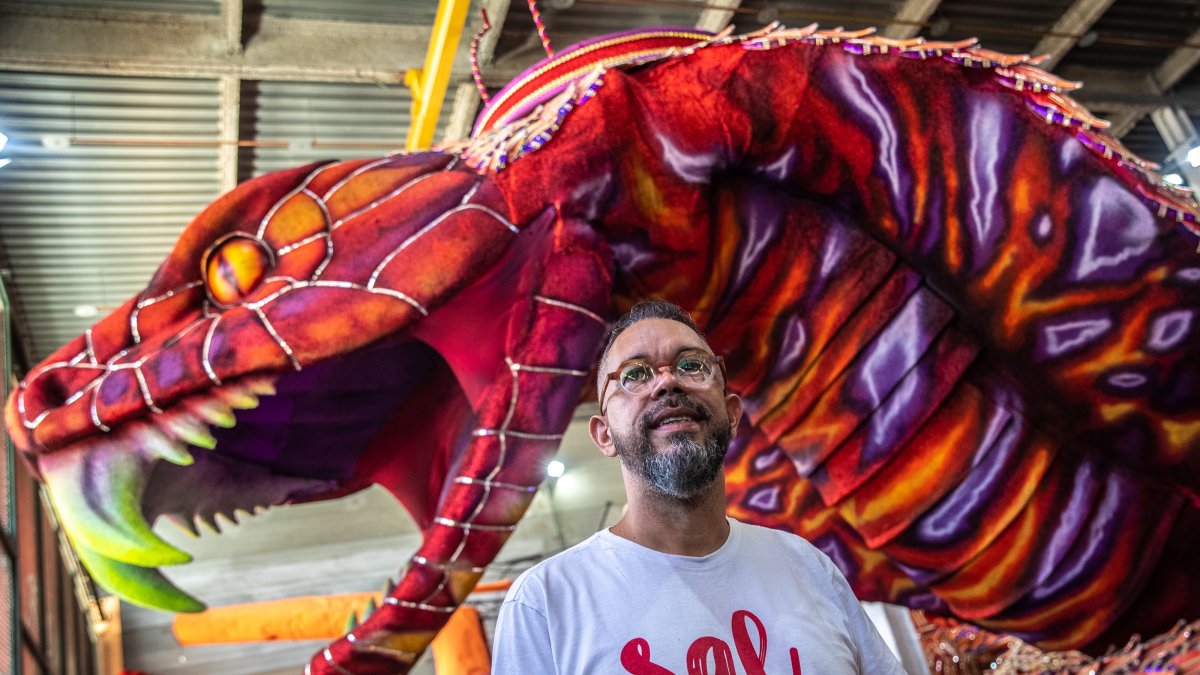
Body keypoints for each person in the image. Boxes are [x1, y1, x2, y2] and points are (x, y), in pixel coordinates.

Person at [491, 299, 905, 674]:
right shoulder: (546, 604)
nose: (668, 383)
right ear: (603, 435)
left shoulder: (807, 569)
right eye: (634, 374)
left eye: (692, 365)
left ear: (732, 413)